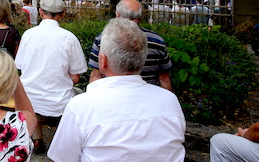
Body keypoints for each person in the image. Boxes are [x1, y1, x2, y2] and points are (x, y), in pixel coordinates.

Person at [48, 18, 186, 162]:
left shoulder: (80, 106)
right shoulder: (169, 100)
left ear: (103, 61)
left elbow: (61, 157)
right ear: (142, 60)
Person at [15, 0, 87, 154]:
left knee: (34, 92)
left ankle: (37, 139)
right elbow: (75, 77)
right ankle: (61, 142)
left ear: (40, 12)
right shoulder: (69, 38)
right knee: (79, 94)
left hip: (30, 98)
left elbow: (19, 66)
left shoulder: (28, 35)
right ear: (63, 14)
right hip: (58, 102)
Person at [88, 0, 173, 91]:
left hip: (111, 96)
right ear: (140, 17)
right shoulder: (157, 40)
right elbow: (164, 78)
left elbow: (96, 76)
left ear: (117, 15)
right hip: (149, 96)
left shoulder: (103, 38)